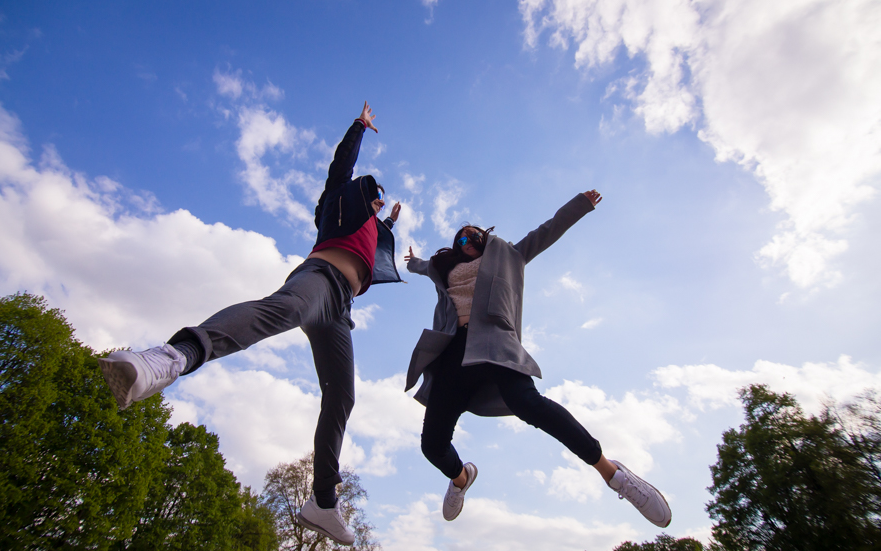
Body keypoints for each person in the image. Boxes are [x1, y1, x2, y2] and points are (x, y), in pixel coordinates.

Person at [98, 101, 401, 546]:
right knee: (286, 309)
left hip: (342, 310)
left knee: (342, 396)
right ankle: (171, 357)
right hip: (320, 279)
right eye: (371, 194)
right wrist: (358, 127)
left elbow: (378, 248)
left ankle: (322, 500)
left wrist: (388, 220)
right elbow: (342, 165)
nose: (374, 199)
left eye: (376, 199)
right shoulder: (340, 197)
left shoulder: (374, 226)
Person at [403, 190, 671, 527]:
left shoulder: (509, 255)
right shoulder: (445, 267)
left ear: (483, 238)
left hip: (495, 346)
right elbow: (421, 267)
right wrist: (412, 260)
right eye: (460, 238)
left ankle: (614, 474)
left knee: (529, 405)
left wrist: (581, 205)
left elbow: (547, 231)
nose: (465, 241)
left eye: (471, 235)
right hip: (454, 353)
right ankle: (461, 479)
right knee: (432, 445)